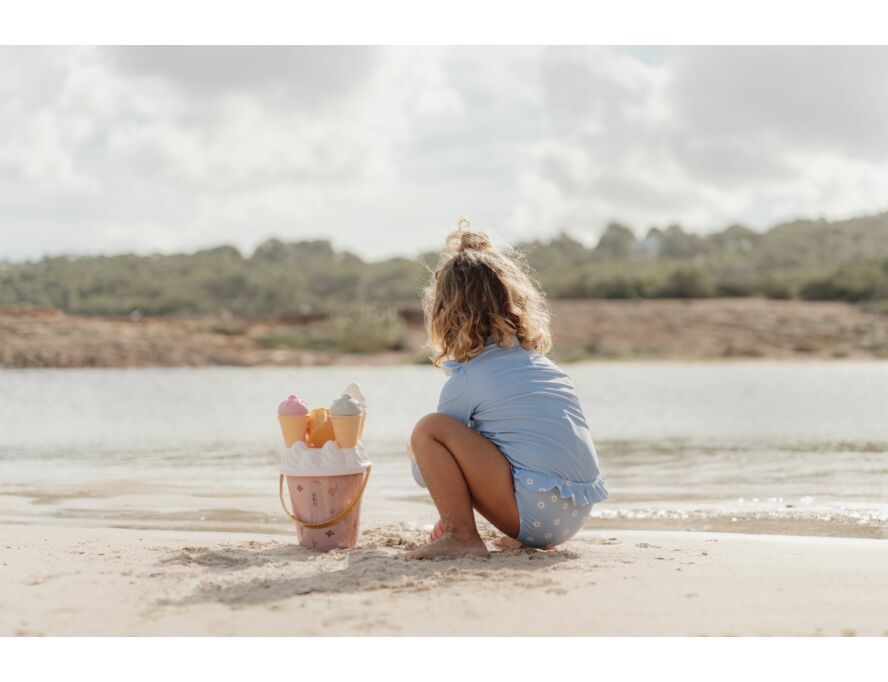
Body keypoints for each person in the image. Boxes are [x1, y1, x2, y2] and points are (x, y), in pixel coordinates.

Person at [408, 222, 607, 559]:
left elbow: (424, 474)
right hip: (576, 513)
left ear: (446, 314)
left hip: (538, 513)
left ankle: (462, 536)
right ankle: (501, 530)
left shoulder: (467, 379)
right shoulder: (543, 366)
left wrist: (416, 452)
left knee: (428, 430)